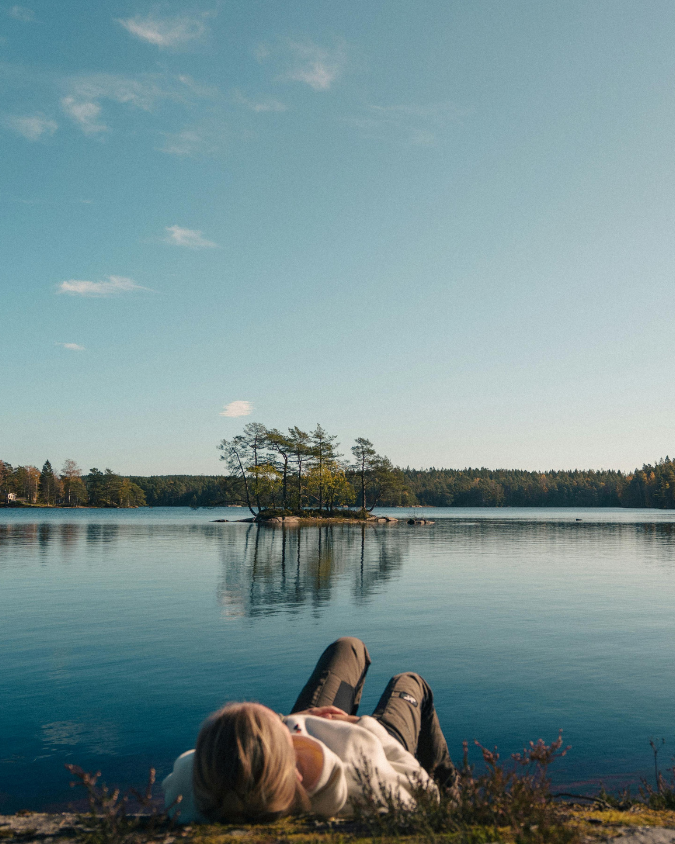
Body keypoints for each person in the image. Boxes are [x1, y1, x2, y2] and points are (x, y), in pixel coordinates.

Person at [162, 637, 457, 822]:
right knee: (410, 682)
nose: (288, 725)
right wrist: (364, 726)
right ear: (294, 767)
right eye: (284, 729)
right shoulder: (365, 781)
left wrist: (293, 720)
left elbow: (201, 760)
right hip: (373, 740)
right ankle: (456, 798)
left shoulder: (198, 792)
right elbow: (423, 792)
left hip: (298, 742)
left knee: (347, 648)